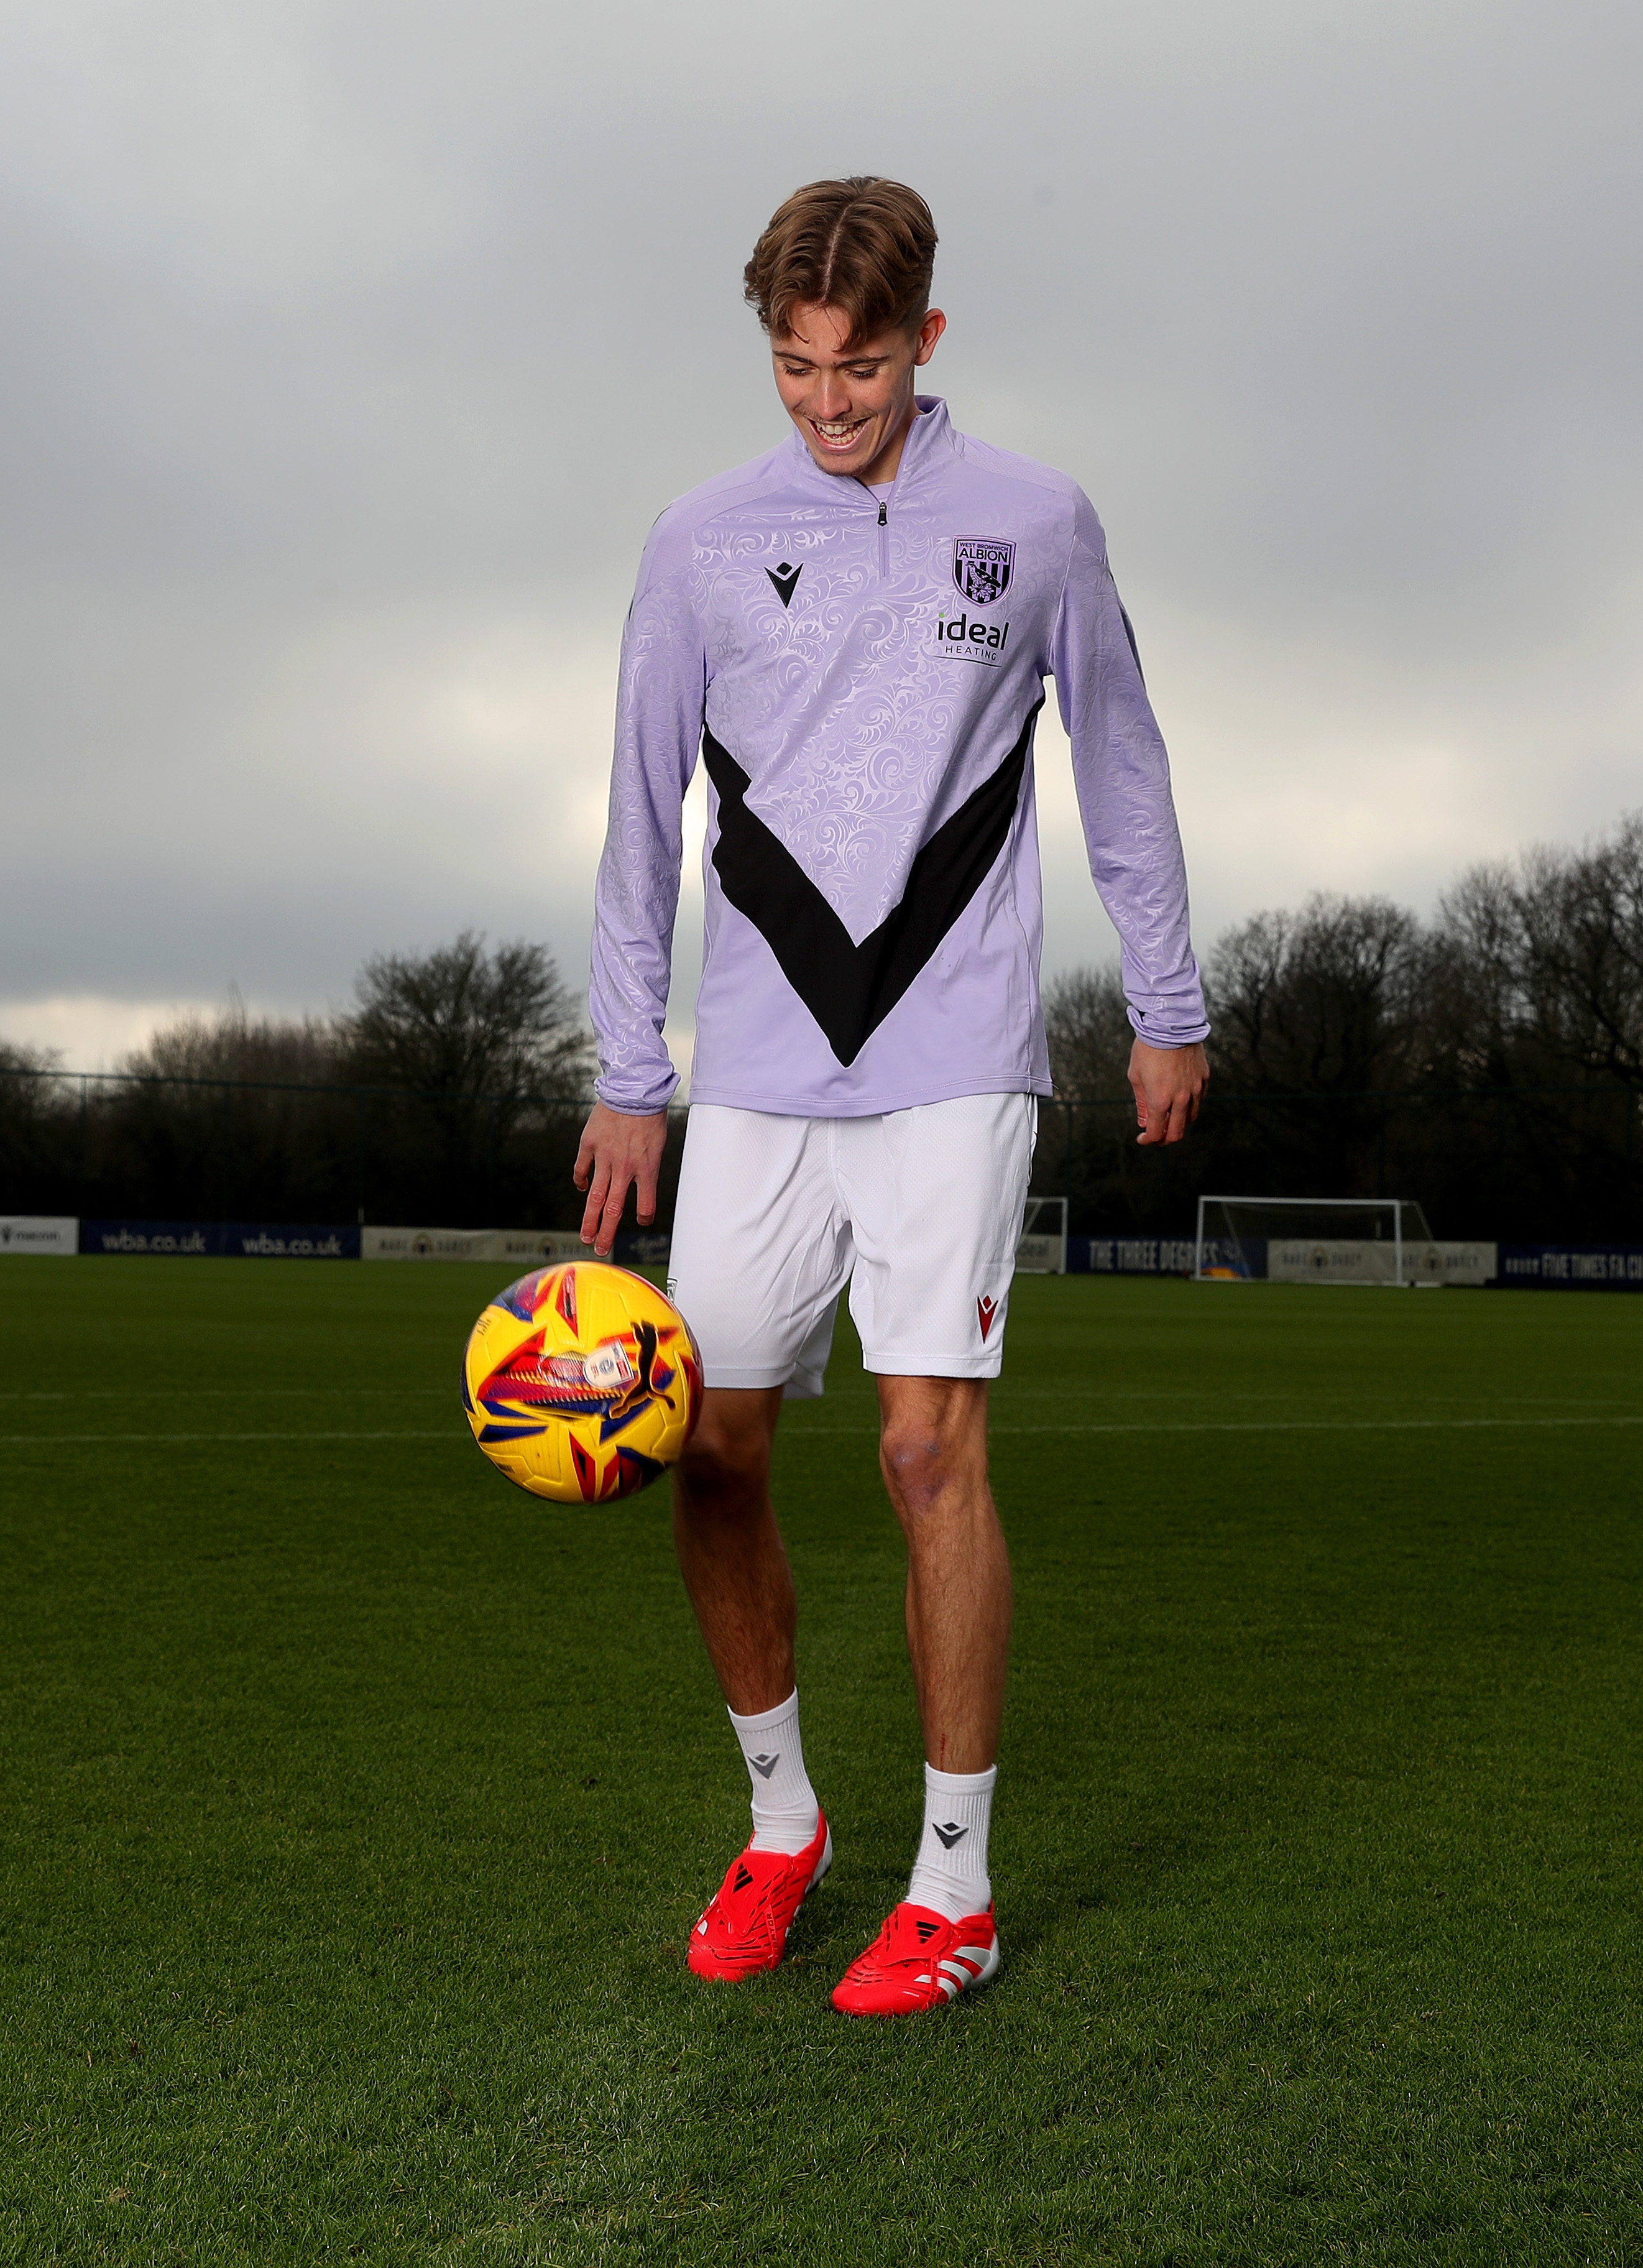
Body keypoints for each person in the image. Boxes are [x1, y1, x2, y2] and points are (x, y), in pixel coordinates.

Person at [573, 176, 1207, 2017]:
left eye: (856, 370)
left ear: (925, 342)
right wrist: (631, 1071)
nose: (826, 406)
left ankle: (956, 1885)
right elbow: (636, 811)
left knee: (930, 1450)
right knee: (714, 1445)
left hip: (955, 1056)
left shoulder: (1037, 523)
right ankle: (785, 1831)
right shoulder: (698, 542)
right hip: (760, 1072)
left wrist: (1167, 1001)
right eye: (793, 371)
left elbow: (1124, 760)